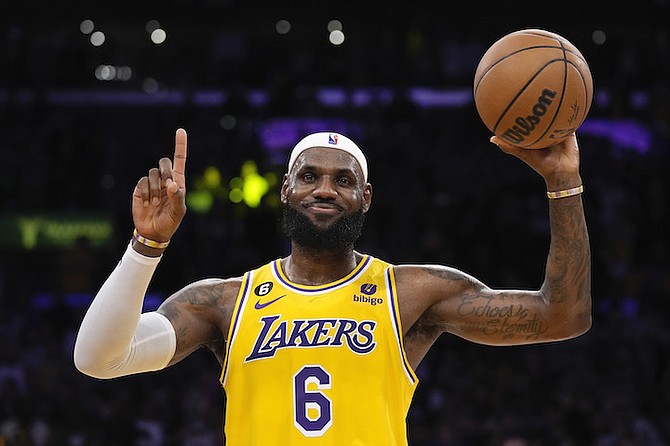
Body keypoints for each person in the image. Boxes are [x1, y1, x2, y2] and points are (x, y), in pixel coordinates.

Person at [74, 128, 592, 445]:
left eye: (343, 180)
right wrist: (145, 246)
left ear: (366, 197)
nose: (324, 189)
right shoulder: (223, 301)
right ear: (286, 191)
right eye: (309, 177)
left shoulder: (411, 293)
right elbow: (97, 359)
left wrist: (562, 183)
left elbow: (562, 316)